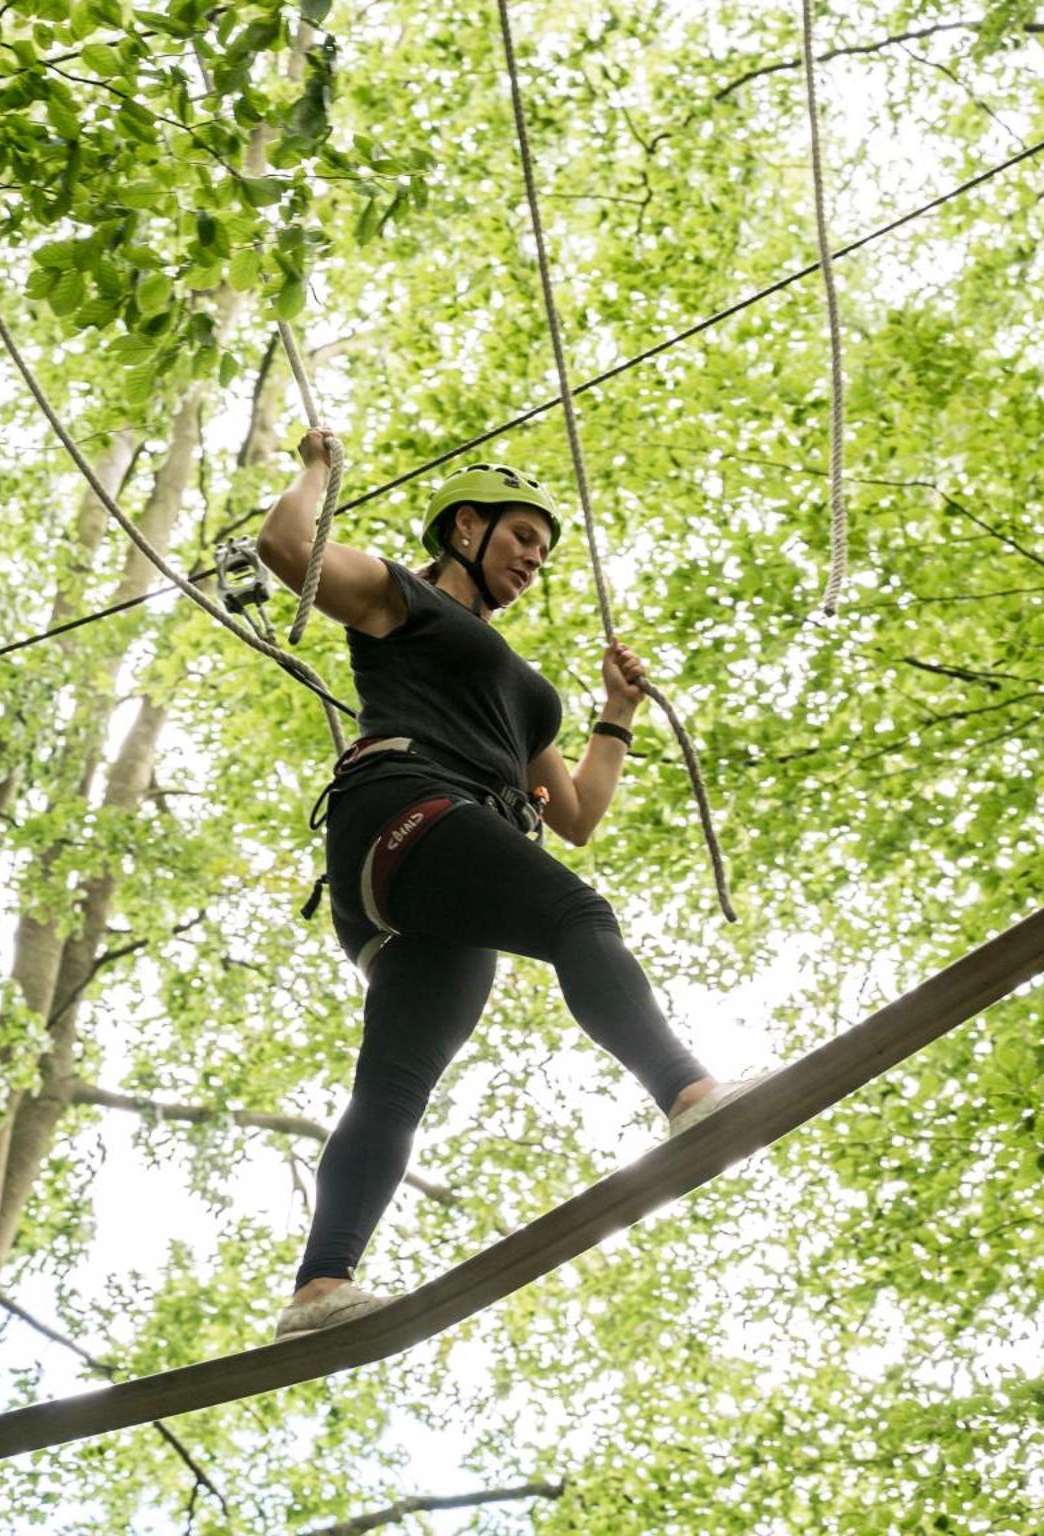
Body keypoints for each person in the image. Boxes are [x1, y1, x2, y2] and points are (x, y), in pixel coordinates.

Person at [257, 429, 755, 1341]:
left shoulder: (520, 689)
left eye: (544, 550)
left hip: (431, 874)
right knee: (576, 915)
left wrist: (616, 714)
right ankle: (688, 1095)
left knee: (396, 1085)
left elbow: (573, 816)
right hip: (407, 808)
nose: (534, 559)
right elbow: (288, 550)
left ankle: (319, 1288)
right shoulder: (405, 603)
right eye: (523, 536)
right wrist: (318, 468)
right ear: (466, 528)